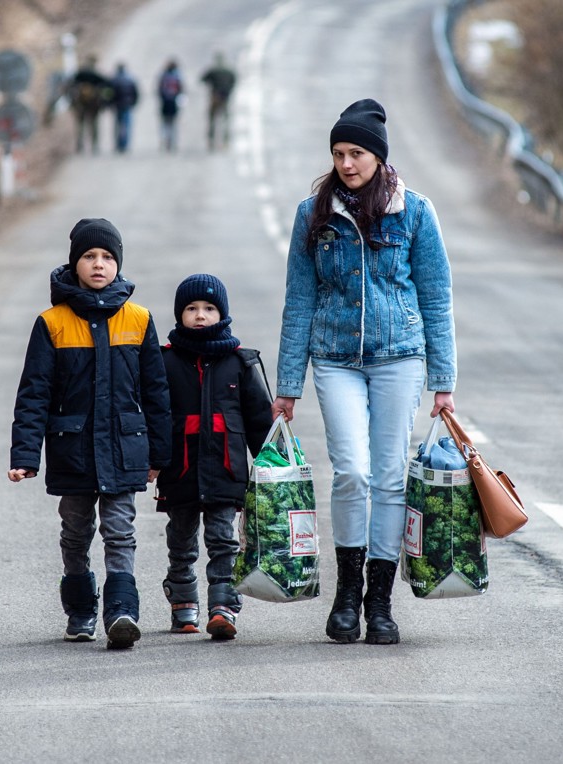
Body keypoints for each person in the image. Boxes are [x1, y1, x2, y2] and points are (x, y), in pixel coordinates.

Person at [272, 99, 457, 646]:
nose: (346, 163)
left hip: (400, 357)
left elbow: (436, 296)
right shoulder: (314, 214)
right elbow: (299, 300)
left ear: (378, 156)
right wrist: (287, 386)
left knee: (389, 476)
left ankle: (380, 603)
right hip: (335, 359)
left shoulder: (415, 212)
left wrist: (443, 381)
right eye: (338, 153)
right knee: (351, 471)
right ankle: (346, 596)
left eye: (356, 153)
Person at [9, 218, 172, 649]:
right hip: (73, 450)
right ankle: (80, 610)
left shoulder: (139, 320)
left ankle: (122, 612)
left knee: (120, 530)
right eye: (89, 257)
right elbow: (34, 393)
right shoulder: (53, 323)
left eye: (107, 257)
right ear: (74, 263)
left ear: (118, 264)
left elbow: (156, 393)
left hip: (124, 448)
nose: (98, 265)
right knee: (76, 532)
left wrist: (160, 454)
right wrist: (25, 455)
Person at [155, 274, 273, 640]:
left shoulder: (240, 362)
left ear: (222, 313)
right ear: (180, 315)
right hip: (180, 471)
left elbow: (258, 421)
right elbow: (154, 416)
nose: (200, 315)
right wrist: (152, 459)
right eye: (191, 309)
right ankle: (183, 603)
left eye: (209, 308)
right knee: (181, 540)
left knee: (224, 540)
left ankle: (224, 606)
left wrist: (271, 464)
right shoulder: (165, 361)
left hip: (227, 469)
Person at [70, 56, 112, 153]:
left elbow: (71, 85)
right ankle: (95, 145)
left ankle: (80, 145)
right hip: (94, 105)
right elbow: (107, 85)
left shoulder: (80, 74)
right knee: (94, 125)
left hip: (80, 105)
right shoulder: (96, 75)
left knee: (81, 125)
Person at [200, 53, 237, 151]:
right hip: (225, 98)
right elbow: (234, 80)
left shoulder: (213, 71)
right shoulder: (229, 71)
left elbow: (202, 79)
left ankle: (211, 140)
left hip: (215, 97)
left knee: (212, 119)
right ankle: (226, 140)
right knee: (225, 120)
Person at [109, 63, 139, 154]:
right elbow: (136, 93)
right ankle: (125, 144)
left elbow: (110, 94)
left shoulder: (114, 80)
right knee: (127, 126)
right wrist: (133, 103)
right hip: (127, 105)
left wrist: (110, 104)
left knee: (118, 126)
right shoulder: (130, 79)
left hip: (117, 106)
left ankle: (118, 144)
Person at [157, 59, 184, 152]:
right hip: (174, 103)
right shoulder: (178, 76)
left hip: (165, 103)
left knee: (165, 124)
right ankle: (173, 142)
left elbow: (159, 90)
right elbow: (182, 90)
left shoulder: (163, 76)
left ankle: (164, 141)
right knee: (173, 124)